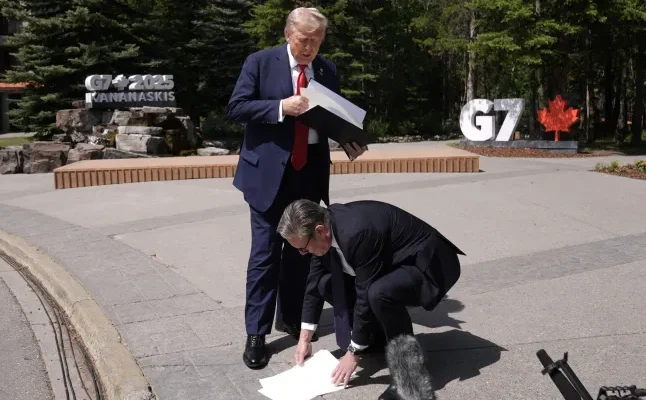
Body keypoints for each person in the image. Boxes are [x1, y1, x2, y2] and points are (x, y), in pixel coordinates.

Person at [226, 7, 366, 370]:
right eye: (304, 39)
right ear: (288, 34)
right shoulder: (260, 63)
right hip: (268, 176)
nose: (310, 47)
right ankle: (256, 333)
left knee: (301, 251)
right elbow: (236, 107)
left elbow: (330, 117)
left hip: (309, 174)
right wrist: (280, 107)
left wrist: (347, 139)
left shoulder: (327, 69)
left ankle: (290, 317)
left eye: (317, 40)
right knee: (265, 255)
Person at [276, 199, 464, 400]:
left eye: (303, 248)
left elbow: (364, 295)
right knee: (325, 284)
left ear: (320, 230)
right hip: (390, 264)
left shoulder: (357, 233)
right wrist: (304, 339)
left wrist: (353, 353)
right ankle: (375, 339)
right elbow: (313, 284)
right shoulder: (321, 230)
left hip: (428, 265)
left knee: (379, 293)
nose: (302, 253)